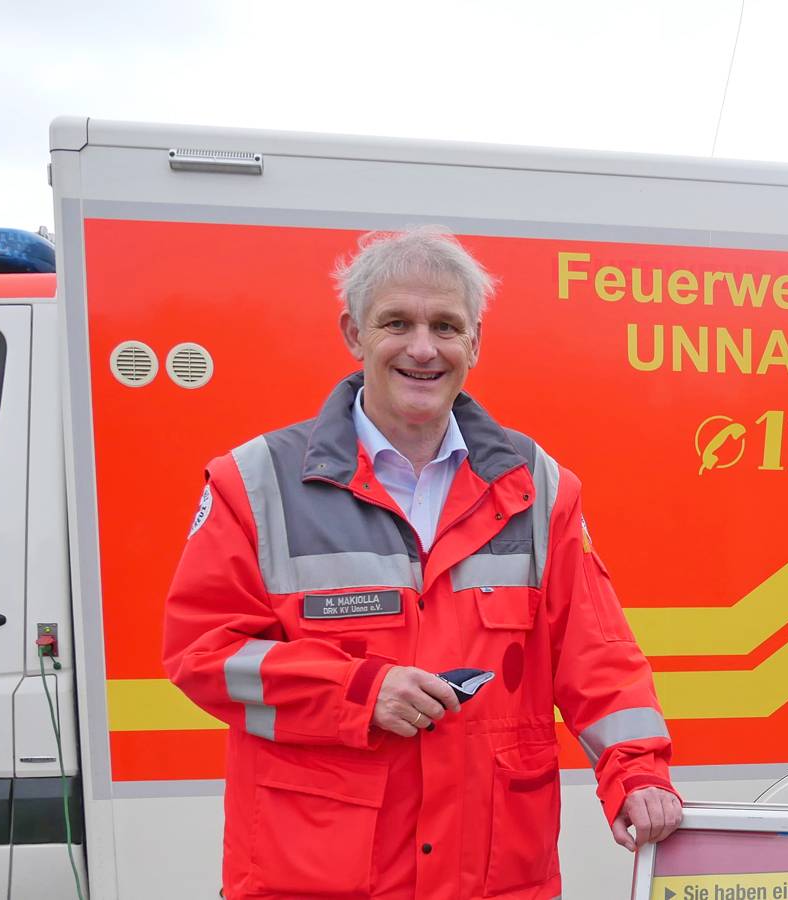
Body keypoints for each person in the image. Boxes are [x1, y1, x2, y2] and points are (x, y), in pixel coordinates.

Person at [162, 227, 681, 900]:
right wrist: (360, 692)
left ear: (475, 342)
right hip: (314, 878)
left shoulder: (539, 486)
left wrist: (636, 771)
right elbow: (203, 654)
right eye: (396, 323)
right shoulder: (256, 482)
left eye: (445, 325)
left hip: (492, 878)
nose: (422, 348)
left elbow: (597, 656)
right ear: (353, 333)